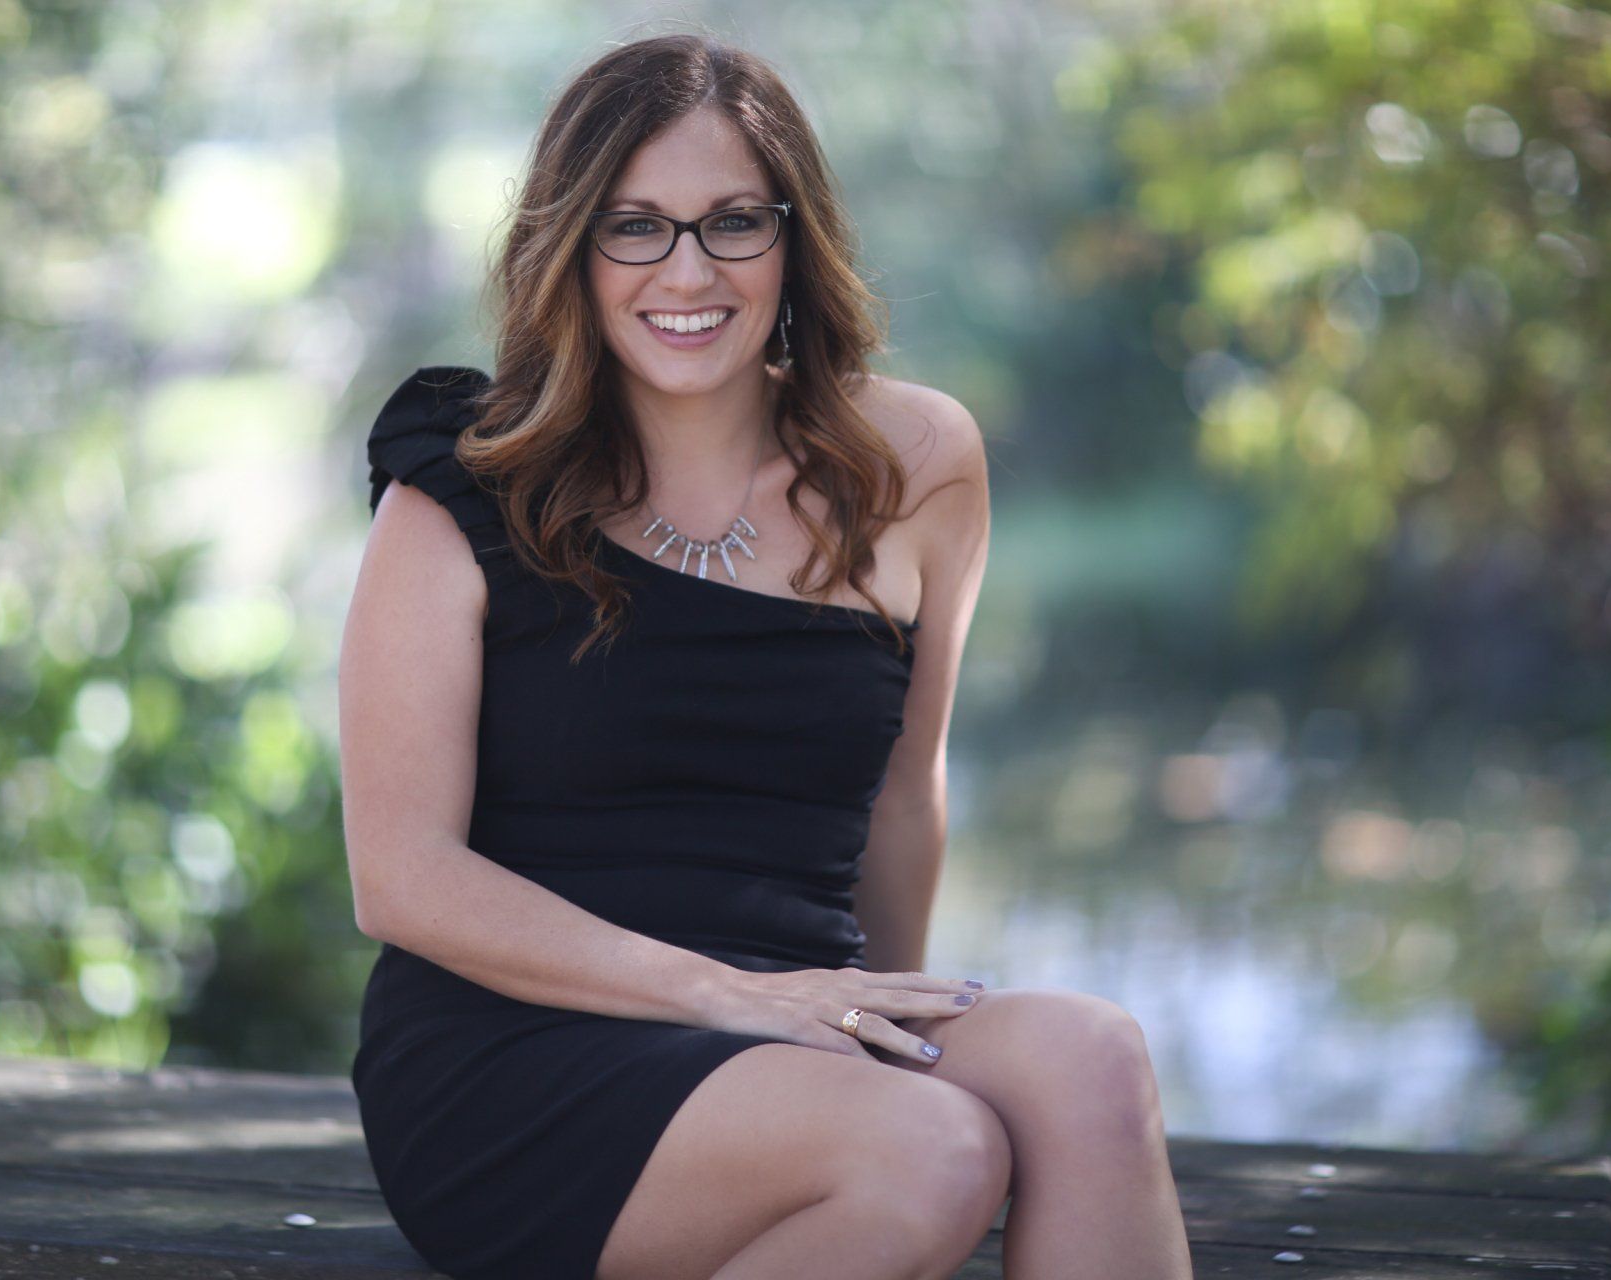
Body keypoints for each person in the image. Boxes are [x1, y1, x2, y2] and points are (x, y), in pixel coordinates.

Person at [341, 32, 1195, 1280]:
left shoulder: (914, 464)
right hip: (516, 1053)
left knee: (1092, 1057)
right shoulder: (463, 488)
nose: (688, 269)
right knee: (933, 1150)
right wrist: (728, 996)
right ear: (570, 250)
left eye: (733, 221)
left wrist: (871, 1021)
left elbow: (909, 789)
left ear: (796, 239)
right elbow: (402, 877)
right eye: (635, 226)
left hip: (795, 1010)